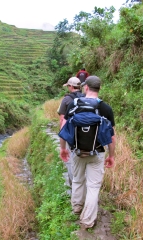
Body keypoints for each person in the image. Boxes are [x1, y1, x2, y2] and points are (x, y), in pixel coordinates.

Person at [59, 76, 116, 230]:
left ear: (85, 88)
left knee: (77, 180)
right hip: (96, 152)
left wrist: (63, 148)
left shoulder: (73, 105)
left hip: (77, 151)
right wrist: (111, 156)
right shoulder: (106, 108)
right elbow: (111, 136)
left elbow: (64, 128)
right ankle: (88, 221)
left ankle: (77, 207)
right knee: (93, 186)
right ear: (99, 88)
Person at [57, 76, 84, 186]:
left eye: (68, 86)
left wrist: (62, 137)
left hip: (71, 134)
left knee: (70, 160)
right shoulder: (87, 97)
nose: (68, 87)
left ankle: (74, 185)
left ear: (71, 87)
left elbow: (62, 119)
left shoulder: (67, 99)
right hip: (86, 133)